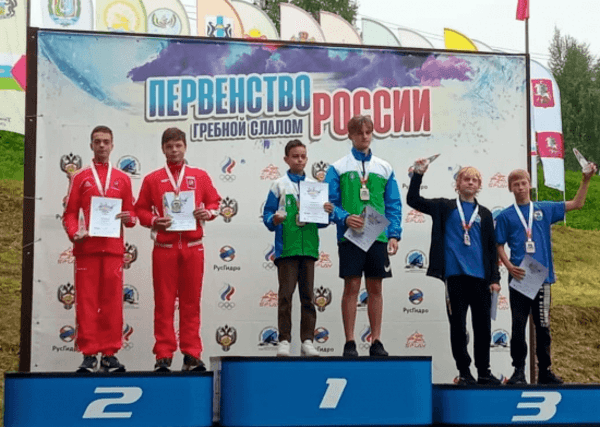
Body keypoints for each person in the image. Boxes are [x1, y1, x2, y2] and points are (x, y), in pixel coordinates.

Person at [496, 165, 597, 385]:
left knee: (543, 326)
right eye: (516, 184)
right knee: (518, 326)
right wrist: (509, 266)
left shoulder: (544, 209)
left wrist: (586, 180)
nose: (520, 187)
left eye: (523, 183)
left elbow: (577, 204)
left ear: (530, 184)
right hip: (520, 277)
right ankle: (519, 372)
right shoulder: (506, 216)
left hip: (541, 279)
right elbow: (498, 244)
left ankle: (545, 371)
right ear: (510, 188)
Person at [407, 160, 501, 385]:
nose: (470, 182)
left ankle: (484, 372)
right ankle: (464, 371)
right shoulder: (444, 206)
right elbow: (413, 200)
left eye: (475, 180)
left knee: (483, 328)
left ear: (479, 186)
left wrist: (495, 279)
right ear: (457, 184)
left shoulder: (485, 214)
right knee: (458, 326)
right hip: (455, 277)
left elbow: (491, 249)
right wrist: (418, 175)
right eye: (466, 179)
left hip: (481, 279)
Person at [135, 127, 221, 372]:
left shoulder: (199, 176)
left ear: (185, 147)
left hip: (193, 248)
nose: (174, 150)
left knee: (191, 302)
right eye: (169, 146)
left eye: (178, 146)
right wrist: (154, 220)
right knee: (163, 303)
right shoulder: (152, 179)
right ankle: (163, 354)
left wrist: (208, 212)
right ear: (163, 149)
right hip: (165, 247)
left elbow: (215, 202)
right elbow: (140, 209)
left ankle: (191, 353)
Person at [325, 115, 402, 357]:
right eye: (359, 133)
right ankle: (350, 341)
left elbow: (393, 203)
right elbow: (328, 202)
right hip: (350, 236)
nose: (364, 136)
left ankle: (376, 340)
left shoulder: (384, 167)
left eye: (368, 132)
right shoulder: (337, 167)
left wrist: (394, 234)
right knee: (352, 286)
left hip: (377, 235)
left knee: (375, 287)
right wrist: (344, 217)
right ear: (350, 135)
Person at [63, 125, 137, 373]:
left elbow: (132, 213)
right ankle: (88, 354)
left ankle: (109, 353)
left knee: (112, 303)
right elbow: (70, 213)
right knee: (86, 302)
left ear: (112, 145)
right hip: (87, 249)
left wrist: (130, 218)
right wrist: (74, 233)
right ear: (91, 145)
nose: (102, 145)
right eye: (97, 141)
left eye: (106, 141)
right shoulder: (80, 177)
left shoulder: (123, 178)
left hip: (113, 250)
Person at [263, 140, 333, 357]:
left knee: (308, 297)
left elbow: (322, 223)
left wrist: (326, 212)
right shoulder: (279, 185)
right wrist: (274, 219)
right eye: (295, 156)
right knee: (285, 296)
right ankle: (284, 339)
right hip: (287, 249)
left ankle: (308, 340)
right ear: (286, 159)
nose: (299, 160)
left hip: (309, 248)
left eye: (303, 156)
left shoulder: (315, 187)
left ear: (307, 158)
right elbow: (267, 215)